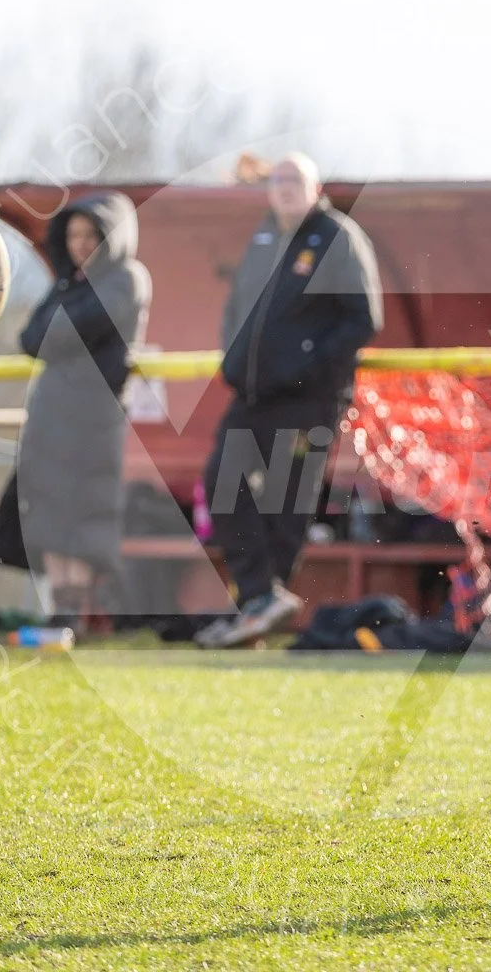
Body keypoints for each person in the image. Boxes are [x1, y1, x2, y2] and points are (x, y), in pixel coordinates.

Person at [197, 153, 383, 648]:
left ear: (314, 186)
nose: (284, 188)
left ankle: (257, 613)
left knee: (286, 504)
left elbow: (362, 318)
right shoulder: (261, 239)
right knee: (222, 481)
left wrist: (306, 364)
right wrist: (233, 360)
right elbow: (237, 309)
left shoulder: (336, 236)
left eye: (294, 180)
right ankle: (260, 597)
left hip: (310, 398)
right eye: (277, 180)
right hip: (254, 394)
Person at [15, 193, 151, 627]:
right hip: (52, 416)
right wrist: (59, 332)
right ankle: (60, 608)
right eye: (73, 235)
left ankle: (76, 610)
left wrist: (59, 335)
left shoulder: (128, 278)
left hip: (93, 419)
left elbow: (64, 333)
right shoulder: (68, 284)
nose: (81, 244)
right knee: (50, 509)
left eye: (92, 235)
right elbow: (31, 338)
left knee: (84, 511)